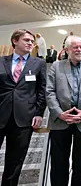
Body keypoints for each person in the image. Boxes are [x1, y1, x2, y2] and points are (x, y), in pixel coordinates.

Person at [46, 35, 81, 186]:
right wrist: (59, 113)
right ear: (67, 49)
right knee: (59, 163)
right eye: (75, 47)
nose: (79, 50)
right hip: (60, 122)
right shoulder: (56, 66)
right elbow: (49, 92)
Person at [0, 29, 46, 185]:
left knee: (15, 162)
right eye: (26, 40)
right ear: (15, 41)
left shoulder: (38, 63)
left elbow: (42, 90)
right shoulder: (1, 61)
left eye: (31, 41)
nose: (30, 43)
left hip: (24, 119)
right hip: (1, 115)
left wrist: (39, 113)